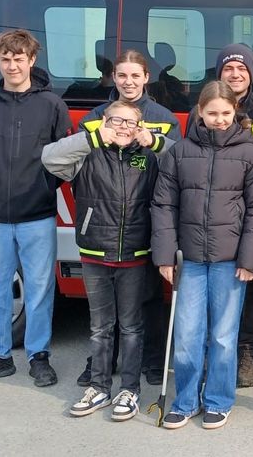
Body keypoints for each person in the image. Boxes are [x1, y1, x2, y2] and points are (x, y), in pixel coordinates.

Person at [151, 81, 253, 430]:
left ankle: (218, 399)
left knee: (222, 335)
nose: (219, 119)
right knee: (187, 335)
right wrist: (164, 255)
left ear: (236, 113)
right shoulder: (179, 152)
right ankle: (185, 400)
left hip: (230, 260)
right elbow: (163, 205)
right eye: (212, 113)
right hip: (188, 258)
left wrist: (250, 258)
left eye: (226, 113)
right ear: (199, 113)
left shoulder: (251, 154)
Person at [0, 29, 70, 388]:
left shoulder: (52, 105)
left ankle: (39, 357)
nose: (12, 65)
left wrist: (41, 188)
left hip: (36, 213)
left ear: (31, 60)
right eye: (6, 59)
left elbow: (62, 158)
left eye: (18, 58)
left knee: (39, 289)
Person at [41, 100, 158, 421]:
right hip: (94, 253)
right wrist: (92, 138)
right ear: (103, 123)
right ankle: (100, 388)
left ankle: (129, 390)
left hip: (134, 255)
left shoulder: (145, 159)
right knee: (100, 327)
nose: (122, 127)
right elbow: (49, 157)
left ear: (140, 127)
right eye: (115, 121)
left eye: (130, 123)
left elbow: (180, 160)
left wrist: (155, 142)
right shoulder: (86, 155)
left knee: (132, 327)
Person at [76, 49, 182, 388]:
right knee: (106, 309)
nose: (129, 82)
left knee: (149, 298)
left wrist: (155, 142)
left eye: (135, 75)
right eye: (122, 75)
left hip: (149, 220)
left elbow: (178, 163)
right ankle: (101, 363)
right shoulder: (95, 116)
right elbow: (78, 162)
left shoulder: (164, 117)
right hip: (106, 222)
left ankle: (151, 360)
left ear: (146, 78)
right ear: (113, 78)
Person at [186, 45, 253, 389]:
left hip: (250, 210)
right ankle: (212, 353)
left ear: (251, 73)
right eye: (229, 68)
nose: (235, 74)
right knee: (211, 291)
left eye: (242, 69)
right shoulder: (201, 112)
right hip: (211, 220)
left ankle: (247, 351)